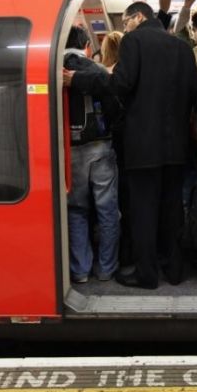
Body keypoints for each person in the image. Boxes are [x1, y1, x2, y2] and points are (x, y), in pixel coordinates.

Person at [66, 2, 197, 289]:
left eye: (125, 22)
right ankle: (174, 269)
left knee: (143, 212)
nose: (125, 27)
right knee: (172, 210)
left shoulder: (134, 41)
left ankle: (147, 274)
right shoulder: (183, 48)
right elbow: (193, 93)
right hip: (177, 145)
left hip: (143, 145)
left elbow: (120, 85)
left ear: (138, 17)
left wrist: (80, 78)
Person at [63, 26, 121, 283]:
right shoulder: (95, 70)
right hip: (100, 148)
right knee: (107, 209)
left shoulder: (51, 69)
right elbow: (114, 107)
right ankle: (107, 268)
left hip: (69, 150)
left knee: (76, 210)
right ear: (87, 44)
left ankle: (80, 270)